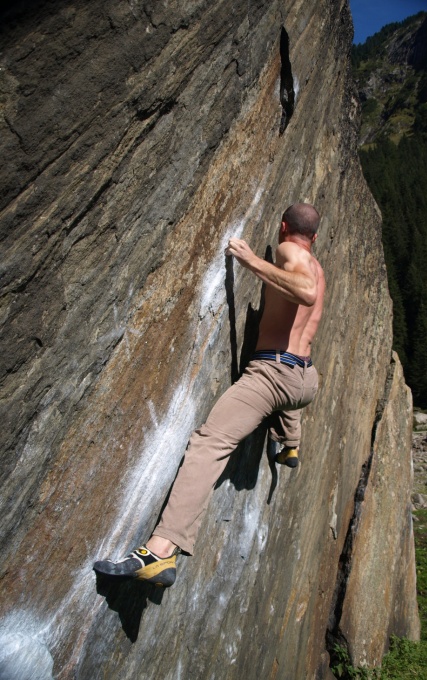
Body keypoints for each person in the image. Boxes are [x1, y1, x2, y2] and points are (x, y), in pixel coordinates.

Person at [94, 203, 325, 587]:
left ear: (284, 227)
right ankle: (290, 442)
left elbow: (305, 292)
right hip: (305, 381)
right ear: (314, 237)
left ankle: (160, 552)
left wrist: (252, 260)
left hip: (273, 375)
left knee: (209, 443)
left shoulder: (289, 252)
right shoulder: (319, 264)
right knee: (284, 394)